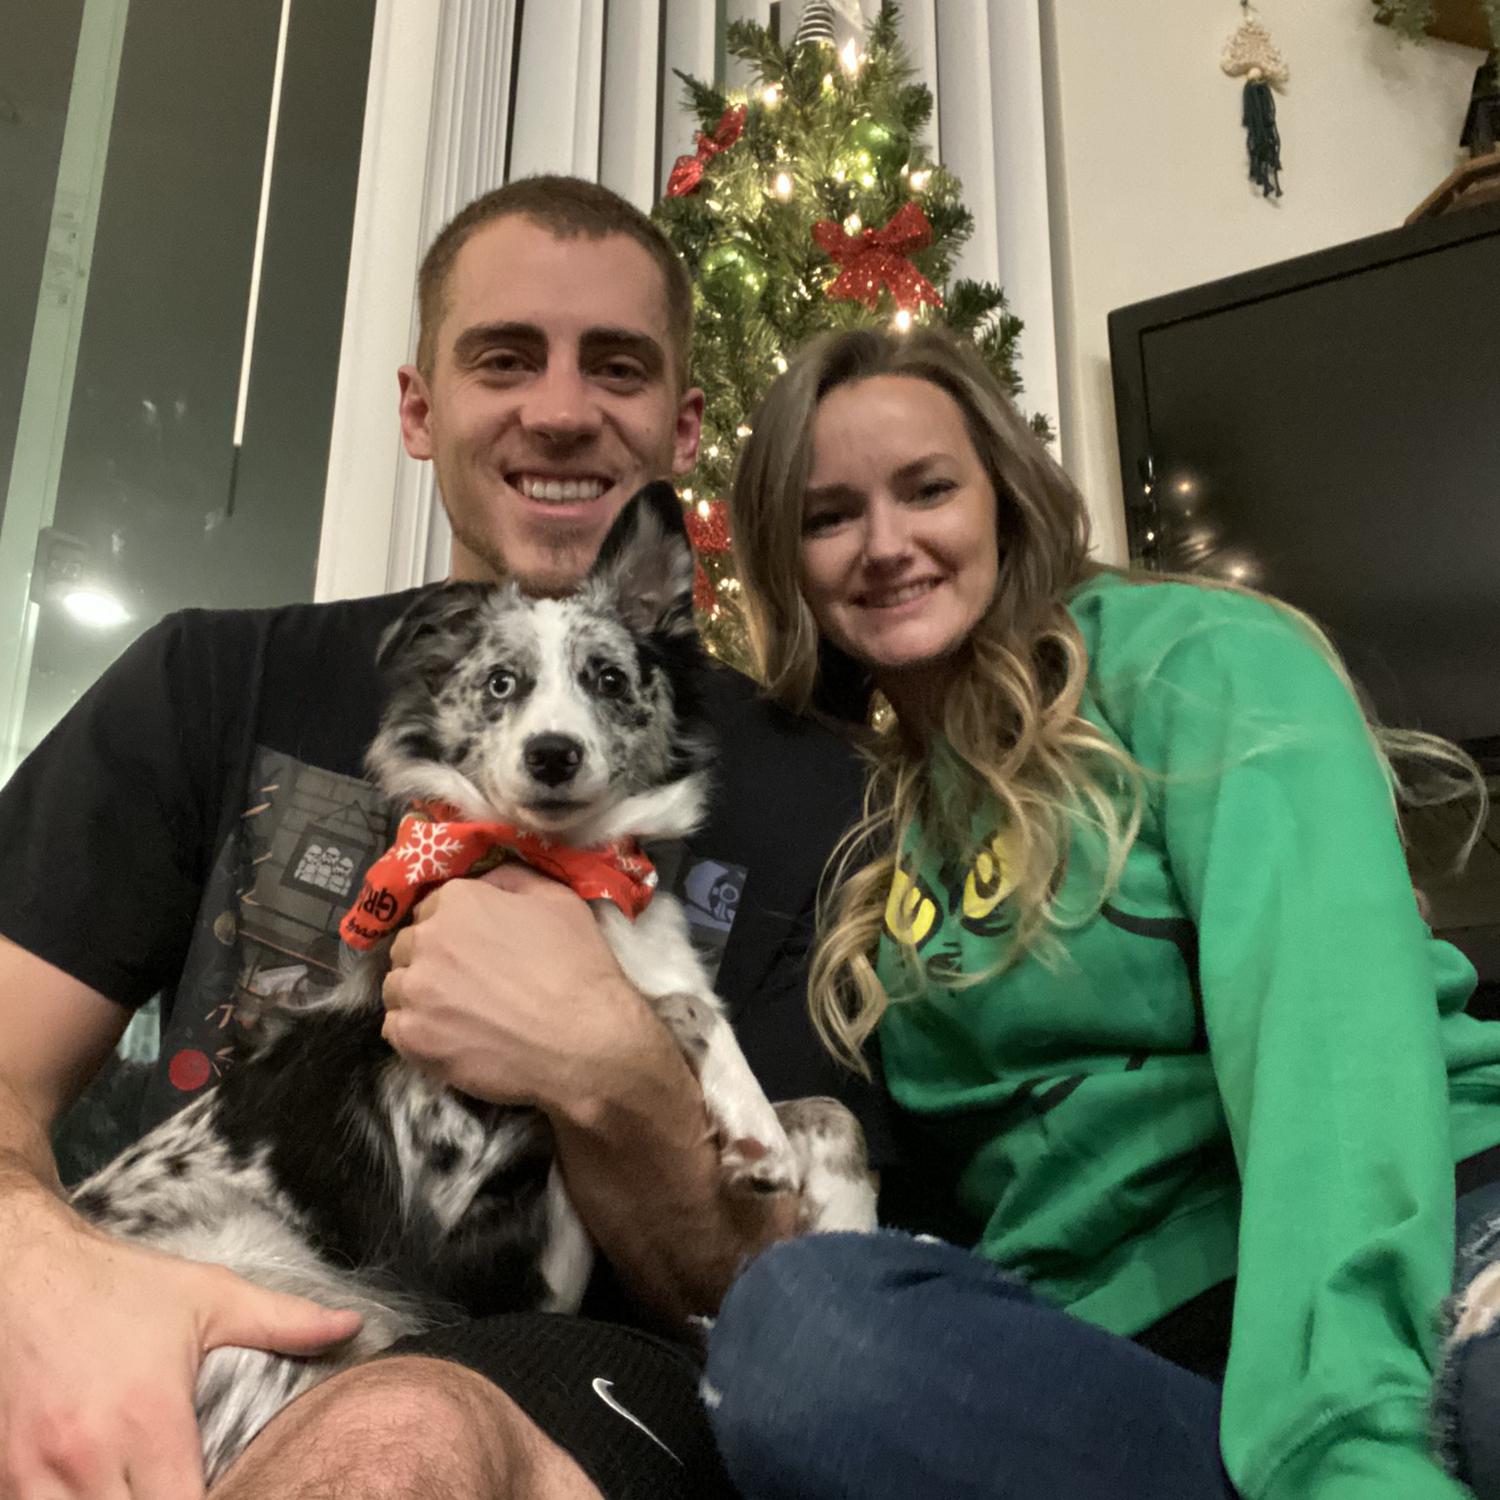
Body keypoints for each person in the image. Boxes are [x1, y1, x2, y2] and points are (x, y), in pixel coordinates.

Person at [0, 177, 895, 1500]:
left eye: (619, 366)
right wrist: (50, 1274)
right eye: (504, 358)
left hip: (552, 1385)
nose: (561, 408)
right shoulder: (211, 682)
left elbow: (790, 1305)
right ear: (420, 408)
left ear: (683, 422)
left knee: (396, 1448)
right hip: (176, 1292)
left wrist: (609, 1062)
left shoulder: (831, 798)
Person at [700, 325, 1500, 1499]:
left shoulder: (1193, 655)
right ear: (788, 560)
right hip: (1131, 1357)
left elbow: (1328, 1033)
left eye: (928, 490)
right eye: (830, 516)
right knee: (795, 1335)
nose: (886, 545)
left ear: (1005, 501)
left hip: (1425, 1235)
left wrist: (1344, 1443)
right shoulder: (866, 833)